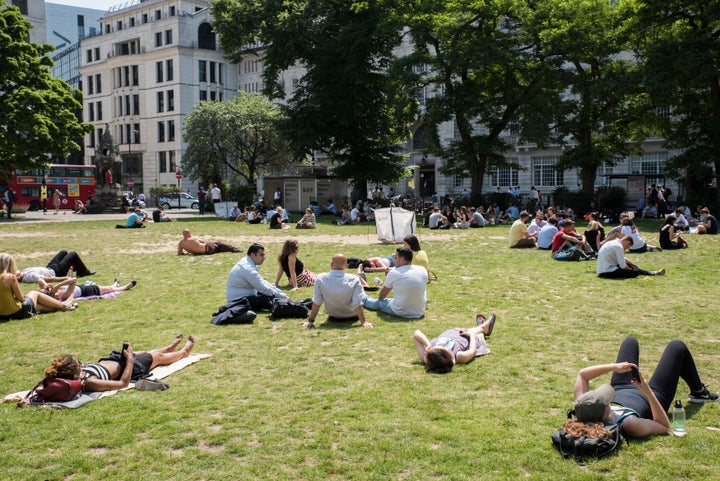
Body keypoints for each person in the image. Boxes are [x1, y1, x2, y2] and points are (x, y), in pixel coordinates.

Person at [570, 336, 717, 439]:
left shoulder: (584, 408)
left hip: (621, 386)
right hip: (652, 395)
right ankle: (699, 392)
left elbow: (583, 375)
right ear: (603, 414)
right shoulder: (630, 424)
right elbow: (664, 426)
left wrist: (614, 367)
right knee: (677, 347)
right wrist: (647, 391)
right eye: (606, 400)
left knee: (630, 341)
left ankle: (698, 392)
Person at [41, 334, 196, 392]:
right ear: (74, 369)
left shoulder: (76, 375)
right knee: (158, 357)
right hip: (128, 367)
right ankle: (184, 352)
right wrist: (129, 361)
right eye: (78, 363)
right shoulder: (90, 382)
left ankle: (169, 347)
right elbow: (123, 383)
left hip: (113, 359)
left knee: (145, 352)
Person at [303, 254, 374, 329]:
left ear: (331, 264)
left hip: (333, 317)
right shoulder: (354, 279)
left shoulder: (320, 278)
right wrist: (364, 322)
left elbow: (317, 301)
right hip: (351, 316)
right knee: (361, 278)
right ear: (346, 266)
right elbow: (357, 302)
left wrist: (311, 320)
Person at [1, 253, 76, 321]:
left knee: (39, 306)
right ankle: (64, 306)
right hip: (17, 312)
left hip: (3, 315)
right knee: (34, 293)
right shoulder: (10, 277)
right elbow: (21, 298)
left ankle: (61, 306)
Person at [413, 314, 496, 373]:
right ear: (448, 354)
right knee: (475, 332)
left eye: (437, 346)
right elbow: (472, 351)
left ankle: (481, 327)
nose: (440, 344)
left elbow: (417, 333)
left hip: (453, 334)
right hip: (466, 337)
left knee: (469, 331)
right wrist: (472, 336)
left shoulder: (427, 357)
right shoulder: (458, 356)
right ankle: (483, 328)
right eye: (443, 347)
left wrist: (428, 345)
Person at [362, 247, 428, 318]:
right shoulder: (422, 270)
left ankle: (363, 298)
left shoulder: (394, 273)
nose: (394, 260)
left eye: (396, 258)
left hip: (399, 311)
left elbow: (382, 296)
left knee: (379, 303)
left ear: (402, 259)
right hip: (419, 311)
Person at [226, 243, 288, 310]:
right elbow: (263, 288)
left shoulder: (248, 262)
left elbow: (263, 282)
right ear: (252, 255)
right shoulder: (248, 268)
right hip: (237, 302)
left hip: (244, 297)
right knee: (270, 300)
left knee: (271, 296)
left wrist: (279, 292)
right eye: (261, 255)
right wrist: (282, 297)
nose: (264, 258)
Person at [596, 236, 665, 278]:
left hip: (602, 270)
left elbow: (624, 259)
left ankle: (651, 273)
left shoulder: (613, 243)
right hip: (607, 271)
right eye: (628, 246)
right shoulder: (618, 247)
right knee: (635, 272)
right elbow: (623, 266)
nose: (626, 248)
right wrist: (631, 269)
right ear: (627, 242)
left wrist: (635, 265)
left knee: (634, 268)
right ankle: (652, 273)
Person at [16, 250, 96, 282]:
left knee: (63, 252)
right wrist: (65, 278)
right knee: (73, 254)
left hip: (50, 268)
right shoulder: (30, 276)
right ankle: (84, 272)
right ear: (18, 277)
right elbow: (47, 279)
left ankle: (77, 269)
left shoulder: (24, 271)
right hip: (56, 272)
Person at [39, 277, 136, 301]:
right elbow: (73, 279)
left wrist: (48, 285)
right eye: (47, 291)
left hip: (84, 287)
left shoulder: (57, 292)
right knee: (110, 289)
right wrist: (57, 286)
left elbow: (40, 280)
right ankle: (124, 288)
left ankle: (116, 284)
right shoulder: (63, 295)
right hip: (88, 291)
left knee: (108, 287)